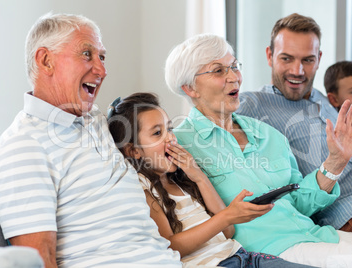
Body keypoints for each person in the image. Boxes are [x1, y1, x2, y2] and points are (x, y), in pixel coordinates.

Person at [165, 33, 352, 267]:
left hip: (316, 236)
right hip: (270, 251)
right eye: (218, 71)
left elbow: (298, 203)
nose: (234, 77)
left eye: (234, 66)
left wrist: (336, 162)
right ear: (189, 88)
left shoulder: (267, 134)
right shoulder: (180, 145)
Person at [0, 13, 182, 268]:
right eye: (86, 54)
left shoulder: (93, 119)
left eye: (102, 56)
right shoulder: (23, 148)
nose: (102, 70)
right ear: (46, 61)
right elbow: (38, 262)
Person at [107, 92, 313, 268]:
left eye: (169, 129)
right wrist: (225, 217)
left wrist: (199, 177)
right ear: (134, 150)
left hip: (243, 257)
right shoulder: (143, 190)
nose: (170, 138)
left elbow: (228, 231)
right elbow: (171, 246)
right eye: (157, 133)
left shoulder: (184, 181)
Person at [236, 13, 352, 236]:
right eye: (287, 58)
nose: (298, 71)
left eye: (308, 60)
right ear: (270, 55)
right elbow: (207, 116)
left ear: (318, 58)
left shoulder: (321, 98)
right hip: (351, 210)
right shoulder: (252, 104)